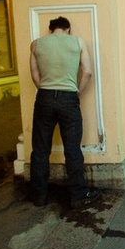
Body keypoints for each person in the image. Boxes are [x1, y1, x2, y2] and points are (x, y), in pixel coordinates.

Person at [29, 16, 100, 208]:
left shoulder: (36, 44)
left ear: (51, 29)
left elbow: (35, 76)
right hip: (69, 98)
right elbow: (87, 72)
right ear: (67, 29)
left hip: (44, 97)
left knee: (40, 150)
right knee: (72, 149)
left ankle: (39, 196)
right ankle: (78, 194)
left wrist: (46, 90)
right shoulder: (77, 42)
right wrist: (77, 91)